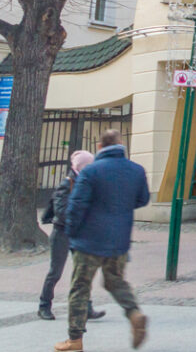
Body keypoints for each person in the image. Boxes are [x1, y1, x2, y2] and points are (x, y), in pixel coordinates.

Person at [56, 129, 149, 352]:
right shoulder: (136, 170)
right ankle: (134, 313)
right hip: (118, 241)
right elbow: (143, 199)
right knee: (115, 281)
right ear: (121, 145)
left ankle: (75, 339)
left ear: (99, 147)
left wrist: (72, 232)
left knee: (80, 287)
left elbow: (77, 206)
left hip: (88, 241)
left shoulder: (91, 172)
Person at [39, 151, 105, 322]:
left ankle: (87, 308)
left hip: (80, 234)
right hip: (62, 233)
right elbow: (61, 212)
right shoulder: (66, 184)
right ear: (81, 167)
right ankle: (44, 306)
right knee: (55, 272)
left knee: (83, 271)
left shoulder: (88, 183)